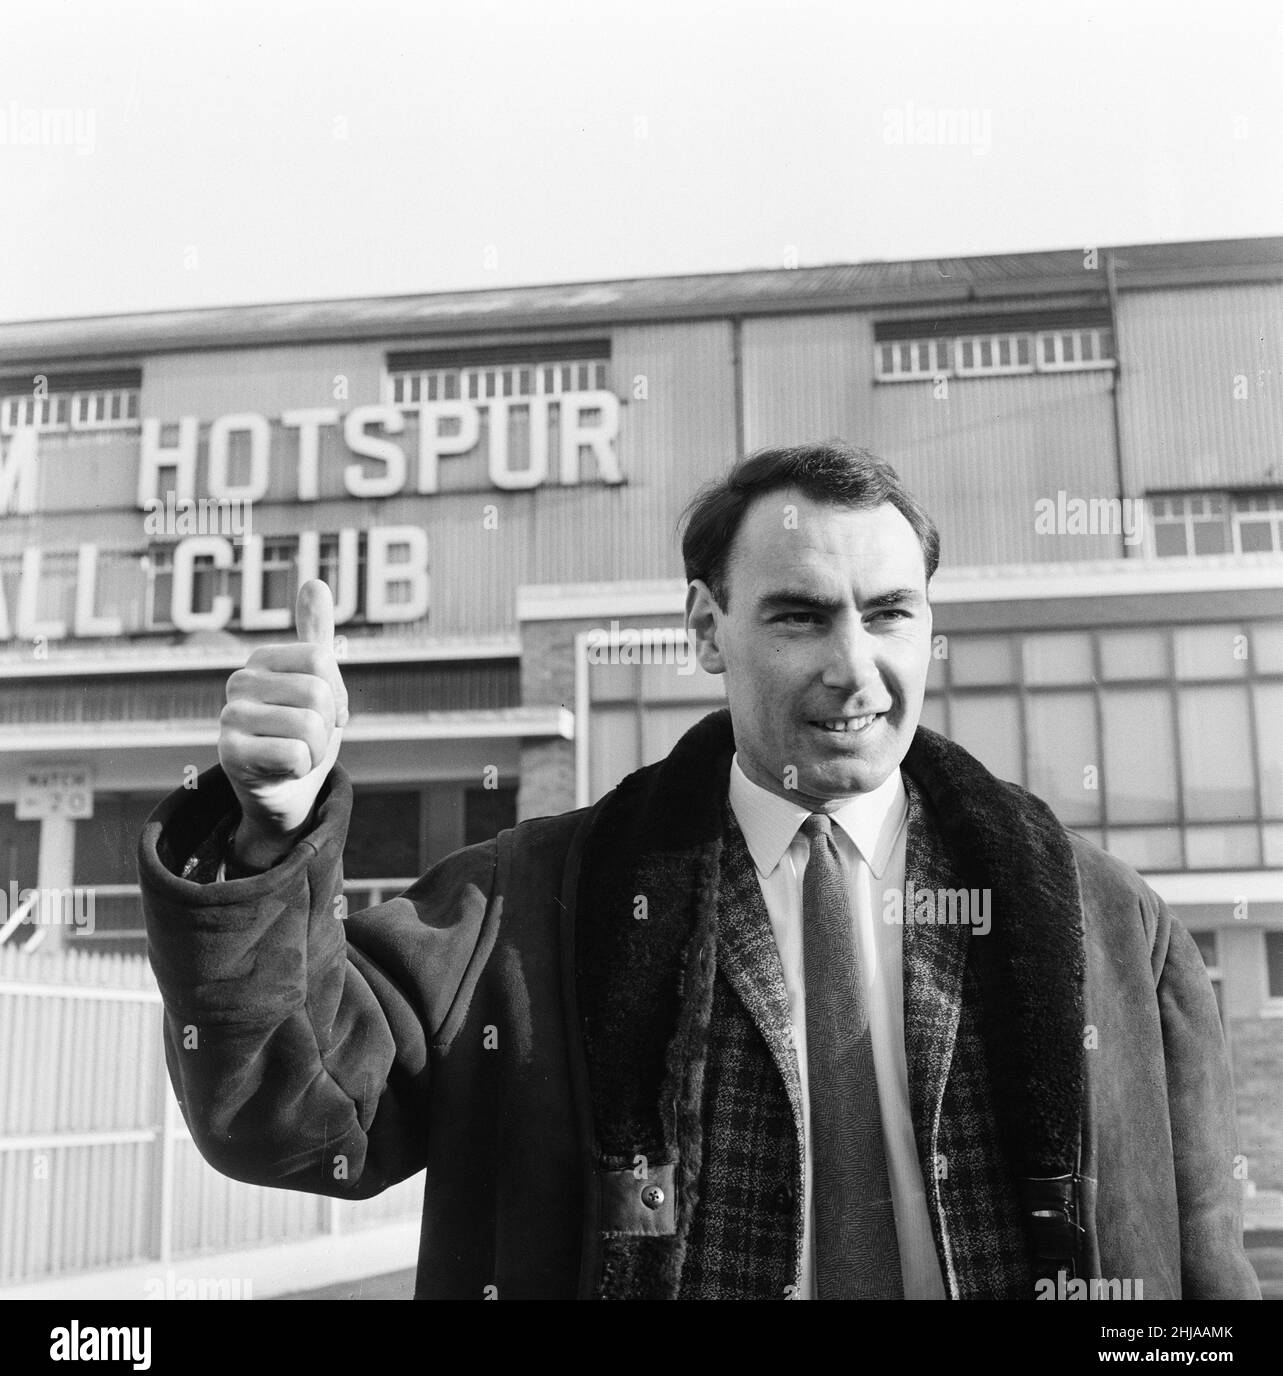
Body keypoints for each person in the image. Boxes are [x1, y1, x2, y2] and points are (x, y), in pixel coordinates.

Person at [139, 441, 1260, 1300]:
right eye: (799, 617)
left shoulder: (1107, 924)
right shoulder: (520, 907)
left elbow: (1201, 1275)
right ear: (706, 628)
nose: (852, 667)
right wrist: (269, 843)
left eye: (887, 614)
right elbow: (291, 1120)